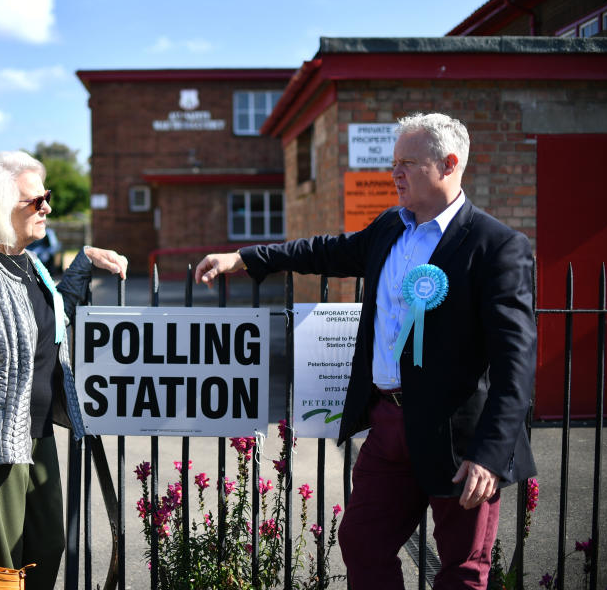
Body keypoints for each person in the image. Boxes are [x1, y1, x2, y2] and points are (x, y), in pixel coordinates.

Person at [194, 112, 536, 590]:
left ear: (450, 164)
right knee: (361, 541)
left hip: (461, 440)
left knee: (461, 569)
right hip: (388, 424)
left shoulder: (498, 246)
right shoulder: (389, 228)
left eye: (408, 163)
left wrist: (492, 452)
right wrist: (245, 257)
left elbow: (515, 363)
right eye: (394, 162)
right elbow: (325, 250)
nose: (395, 173)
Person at [0, 151, 127, 587]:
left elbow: (51, 319)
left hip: (39, 437)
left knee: (47, 550)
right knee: (1, 570)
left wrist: (84, 262)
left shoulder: (30, 264)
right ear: (0, 209)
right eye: (35, 201)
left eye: (47, 197)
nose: (48, 208)